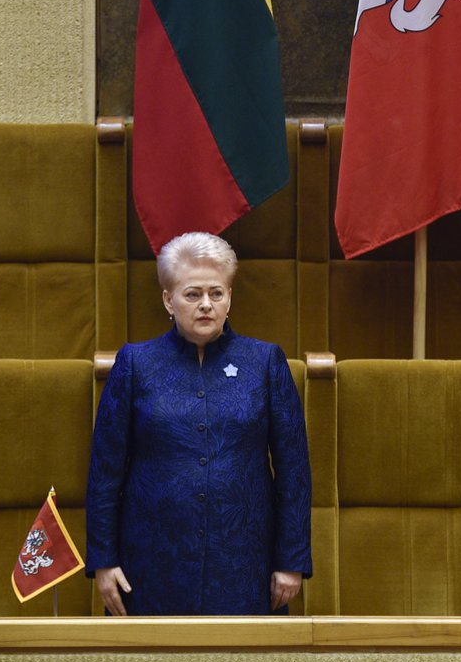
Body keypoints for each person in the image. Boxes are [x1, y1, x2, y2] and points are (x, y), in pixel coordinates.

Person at [85, 232, 312, 616]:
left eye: (216, 293)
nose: (206, 305)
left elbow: (294, 472)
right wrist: (103, 562)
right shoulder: (136, 364)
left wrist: (291, 561)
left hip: (244, 564)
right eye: (192, 294)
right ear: (168, 300)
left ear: (229, 298)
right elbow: (105, 472)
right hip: (150, 563)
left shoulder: (265, 362)